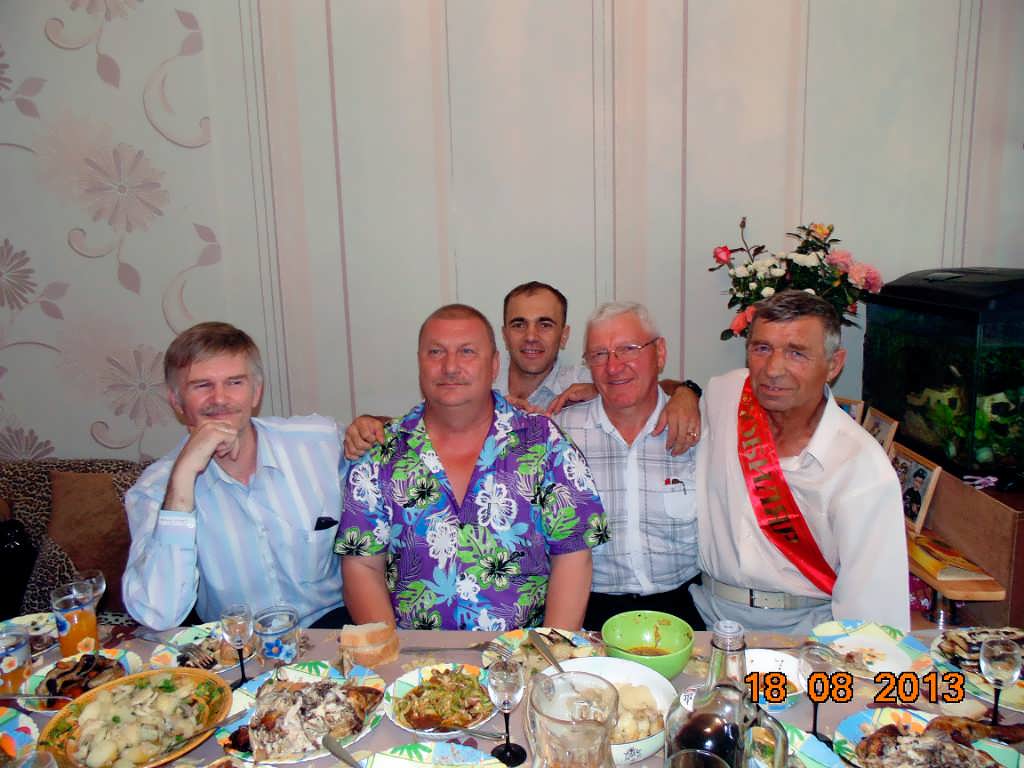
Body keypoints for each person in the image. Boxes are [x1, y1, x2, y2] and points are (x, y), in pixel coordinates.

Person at [337, 304, 606, 631]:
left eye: (467, 352)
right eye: (436, 352)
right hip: (411, 655)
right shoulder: (380, 452)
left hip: (522, 652)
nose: (450, 367)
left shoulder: (545, 443)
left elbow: (574, 555)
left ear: (494, 365)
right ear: (420, 362)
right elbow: (361, 565)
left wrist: (549, 650)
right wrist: (389, 653)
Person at [692, 290, 910, 634]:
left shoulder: (862, 468)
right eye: (762, 348)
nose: (773, 369)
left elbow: (872, 613)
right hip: (708, 621)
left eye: (796, 353)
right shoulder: (726, 394)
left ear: (834, 364)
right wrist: (681, 393)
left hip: (806, 631)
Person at [122, 322, 348, 630]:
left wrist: (371, 423)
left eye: (235, 382)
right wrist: (183, 477)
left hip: (332, 632)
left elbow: (394, 453)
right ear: (176, 401)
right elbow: (158, 614)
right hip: (237, 644)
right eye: (202, 385)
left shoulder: (321, 443)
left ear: (256, 392)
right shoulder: (155, 489)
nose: (219, 398)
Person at [343, 281, 703, 458]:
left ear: (564, 336)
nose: (531, 336)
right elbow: (424, 423)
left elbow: (646, 385)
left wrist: (686, 393)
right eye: (519, 324)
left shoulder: (590, 379)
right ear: (503, 334)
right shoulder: (474, 384)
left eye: (545, 324)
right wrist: (372, 424)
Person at [553, 302, 703, 631]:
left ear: (659, 353)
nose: (613, 367)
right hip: (590, 611)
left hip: (687, 607)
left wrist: (688, 391)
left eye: (628, 349)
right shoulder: (561, 434)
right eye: (599, 355)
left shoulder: (699, 428)